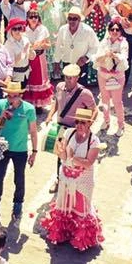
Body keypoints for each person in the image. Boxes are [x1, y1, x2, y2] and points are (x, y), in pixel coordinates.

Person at [40, 107, 104, 251]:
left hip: (83, 181)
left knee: (81, 208)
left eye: (83, 122)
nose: (79, 125)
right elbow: (63, 157)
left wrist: (72, 157)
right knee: (65, 205)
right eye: (77, 122)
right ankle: (64, 234)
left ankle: (80, 239)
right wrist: (62, 152)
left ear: (89, 124)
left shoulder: (94, 140)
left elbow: (88, 163)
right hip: (66, 178)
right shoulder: (69, 133)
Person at [0, 81, 38, 224]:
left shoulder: (29, 109)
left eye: (14, 96)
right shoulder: (0, 104)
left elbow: (33, 132)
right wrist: (1, 117)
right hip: (3, 147)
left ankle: (18, 205)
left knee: (19, 179)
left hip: (20, 149)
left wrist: (34, 152)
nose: (11, 99)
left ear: (20, 95)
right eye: (9, 96)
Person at [94, 20, 129, 135]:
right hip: (103, 75)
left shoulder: (124, 43)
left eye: (117, 29)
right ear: (108, 31)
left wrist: (114, 55)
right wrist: (105, 54)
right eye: (112, 29)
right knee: (104, 100)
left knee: (117, 102)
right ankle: (106, 120)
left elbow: (124, 58)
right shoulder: (104, 41)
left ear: (120, 31)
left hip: (117, 77)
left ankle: (120, 125)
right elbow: (97, 58)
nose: (114, 31)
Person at [53, 6, 100, 82]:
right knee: (67, 88)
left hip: (81, 65)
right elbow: (58, 47)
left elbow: (96, 47)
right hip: (67, 64)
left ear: (79, 20)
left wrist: (86, 58)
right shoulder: (62, 29)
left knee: (80, 89)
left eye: (74, 19)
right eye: (70, 18)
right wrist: (57, 63)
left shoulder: (88, 31)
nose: (72, 21)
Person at [23, 6, 54, 109]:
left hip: (40, 58)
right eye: (31, 17)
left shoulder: (43, 29)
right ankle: (29, 103)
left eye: (36, 17)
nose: (33, 19)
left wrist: (42, 45)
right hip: (28, 58)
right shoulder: (24, 30)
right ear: (27, 18)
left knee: (39, 79)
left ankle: (39, 104)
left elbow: (49, 44)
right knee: (29, 79)